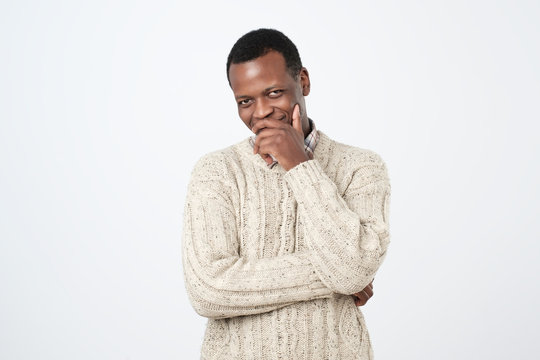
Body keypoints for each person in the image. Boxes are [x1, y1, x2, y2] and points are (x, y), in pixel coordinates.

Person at [181, 28, 391, 359]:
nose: (261, 111)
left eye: (274, 92)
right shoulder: (217, 171)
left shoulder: (361, 167)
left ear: (303, 81)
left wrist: (300, 166)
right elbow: (208, 290)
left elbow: (352, 270)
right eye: (245, 101)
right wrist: (336, 279)